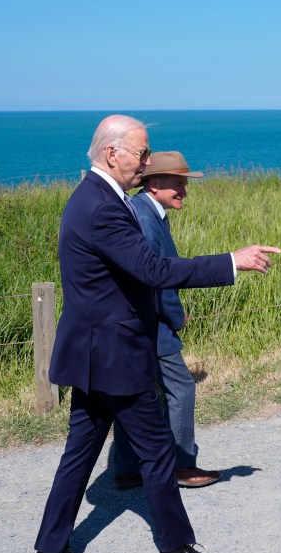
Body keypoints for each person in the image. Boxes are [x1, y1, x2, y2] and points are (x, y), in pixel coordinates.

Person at [27, 115, 280, 553]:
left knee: (79, 457)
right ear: (112, 154)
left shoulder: (91, 197)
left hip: (91, 356)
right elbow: (153, 269)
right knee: (158, 453)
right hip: (115, 356)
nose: (146, 162)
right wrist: (232, 261)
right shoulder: (103, 206)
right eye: (142, 153)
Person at [112, 151, 220, 490]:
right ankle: (181, 467)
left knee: (137, 394)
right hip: (152, 323)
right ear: (155, 183)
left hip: (141, 321)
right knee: (181, 388)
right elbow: (156, 280)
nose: (184, 192)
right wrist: (175, 317)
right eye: (178, 185)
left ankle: (129, 470)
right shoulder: (146, 219)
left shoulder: (148, 211)